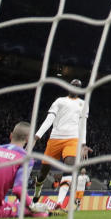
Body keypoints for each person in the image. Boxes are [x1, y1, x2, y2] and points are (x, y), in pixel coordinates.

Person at [32, 79, 90, 210]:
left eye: (78, 86)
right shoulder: (60, 101)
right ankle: (37, 193)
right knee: (43, 174)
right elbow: (50, 119)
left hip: (72, 139)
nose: (76, 88)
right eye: (74, 85)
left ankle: (59, 203)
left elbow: (83, 125)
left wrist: (83, 144)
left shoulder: (83, 104)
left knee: (69, 168)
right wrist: (37, 135)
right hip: (55, 139)